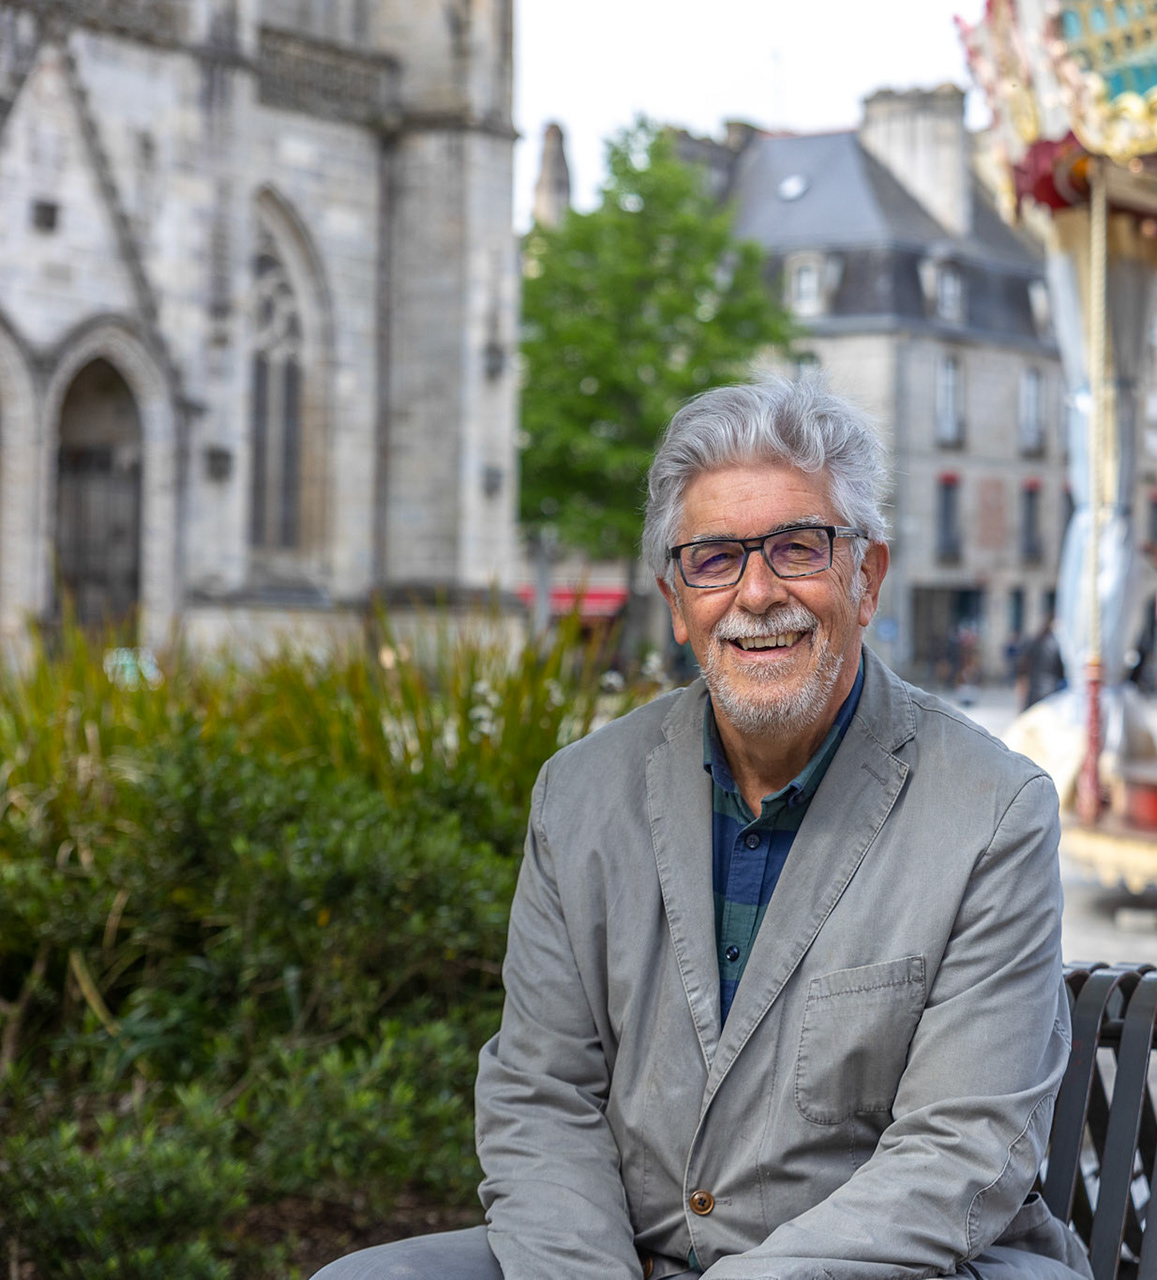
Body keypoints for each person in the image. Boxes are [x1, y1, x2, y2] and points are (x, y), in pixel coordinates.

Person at [315, 379, 1089, 1280]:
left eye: (799, 548)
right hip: (627, 1257)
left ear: (865, 578)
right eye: (715, 560)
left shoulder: (993, 810)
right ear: (678, 603)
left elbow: (960, 1154)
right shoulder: (580, 796)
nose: (757, 594)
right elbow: (542, 1095)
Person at [1016, 608, 1066, 709]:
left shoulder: (1037, 640)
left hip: (1034, 692)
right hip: (1052, 693)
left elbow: (1023, 668)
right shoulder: (1057, 644)